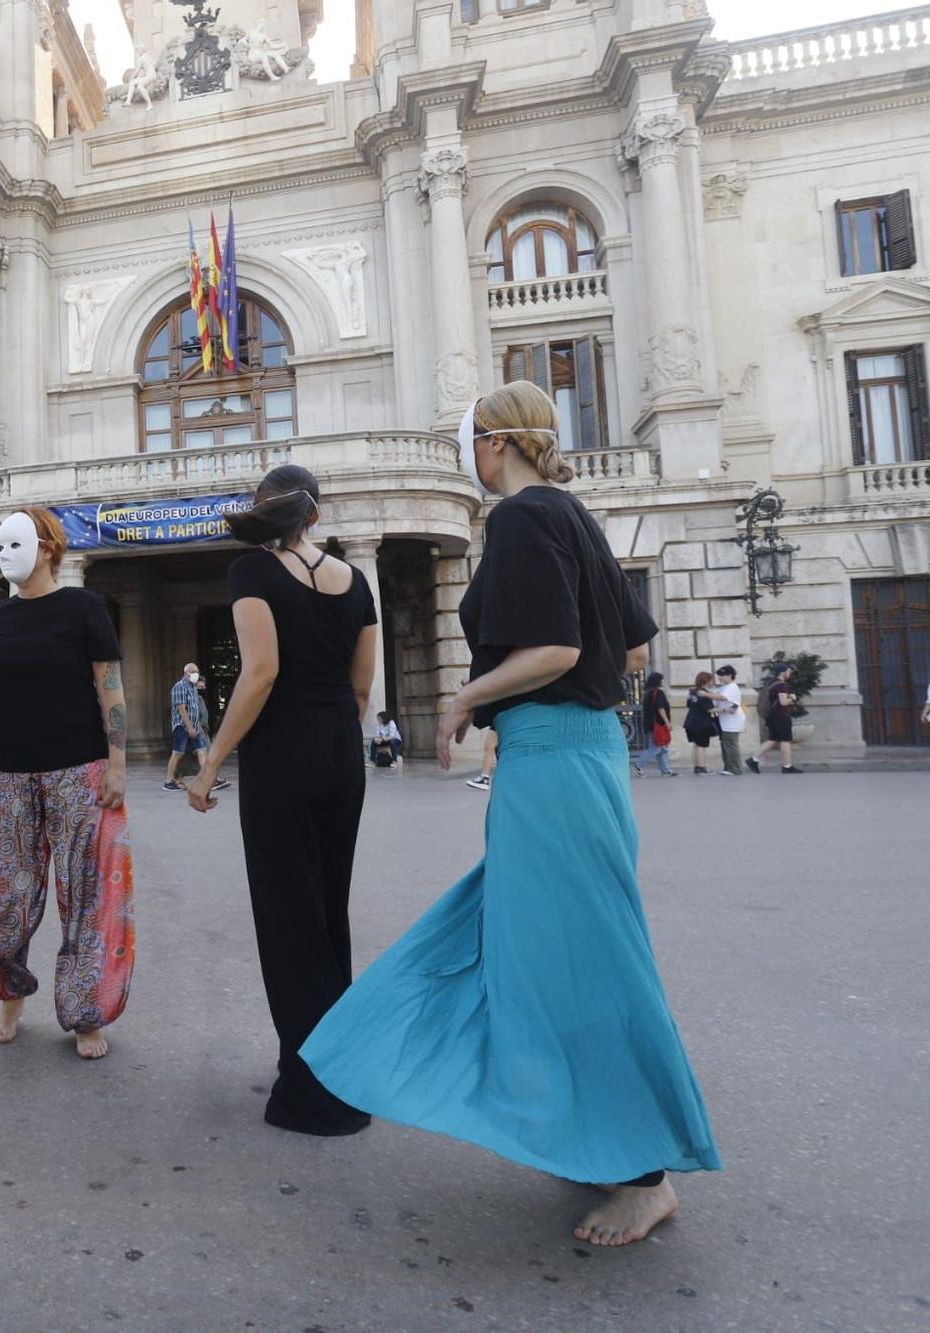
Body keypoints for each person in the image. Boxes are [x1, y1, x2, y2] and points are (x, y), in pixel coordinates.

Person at [302, 381, 718, 1247]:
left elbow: (559, 647)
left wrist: (471, 696)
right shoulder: (575, 513)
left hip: (554, 760)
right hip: (584, 754)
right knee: (546, 945)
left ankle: (644, 1174)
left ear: (492, 443)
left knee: (580, 957)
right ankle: (596, 1135)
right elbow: (631, 644)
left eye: (468, 443)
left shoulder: (524, 517)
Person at [185, 464, 379, 1137]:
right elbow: (361, 691)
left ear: (261, 512)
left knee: (287, 918)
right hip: (339, 753)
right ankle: (341, 1068)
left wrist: (210, 762)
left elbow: (260, 673)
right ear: (316, 516)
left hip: (282, 758)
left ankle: (311, 1088)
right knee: (328, 913)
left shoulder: (252, 573)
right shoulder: (357, 582)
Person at [0, 507, 134, 1060]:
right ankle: (10, 992)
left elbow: (111, 687)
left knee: (87, 893)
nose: (5, 554)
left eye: (17, 542)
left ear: (49, 547)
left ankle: (87, 1012)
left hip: (78, 768)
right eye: (0, 545)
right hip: (6, 774)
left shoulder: (84, 608)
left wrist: (118, 762)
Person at [164, 663, 222, 793]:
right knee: (177, 754)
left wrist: (197, 728)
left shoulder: (192, 688)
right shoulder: (180, 686)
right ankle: (168, 781)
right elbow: (181, 708)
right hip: (182, 726)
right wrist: (189, 727)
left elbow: (195, 709)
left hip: (194, 727)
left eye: (197, 671)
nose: (196, 674)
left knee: (202, 751)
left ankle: (210, 779)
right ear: (186, 673)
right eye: (193, 671)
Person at [749, 662, 803, 774]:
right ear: (783, 672)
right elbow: (783, 702)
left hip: (771, 715)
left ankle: (753, 759)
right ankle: (787, 766)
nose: (790, 673)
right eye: (789, 671)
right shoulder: (781, 685)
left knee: (772, 739)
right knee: (785, 740)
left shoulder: (771, 683)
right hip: (780, 716)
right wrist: (792, 698)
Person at [634, 671, 675, 777]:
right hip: (658, 724)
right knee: (656, 748)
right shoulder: (658, 693)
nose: (662, 682)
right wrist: (667, 722)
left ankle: (665, 770)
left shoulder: (648, 693)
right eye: (661, 680)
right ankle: (638, 765)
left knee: (662, 748)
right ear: (658, 681)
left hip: (650, 724)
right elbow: (661, 708)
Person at [682, 671, 720, 773]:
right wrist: (723, 710)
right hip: (701, 723)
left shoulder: (692, 692)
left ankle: (696, 767)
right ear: (706, 681)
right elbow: (709, 709)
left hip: (690, 722)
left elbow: (689, 705)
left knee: (696, 745)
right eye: (711, 680)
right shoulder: (704, 694)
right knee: (702, 746)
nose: (712, 682)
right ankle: (702, 767)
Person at [711, 665, 745, 776]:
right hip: (724, 721)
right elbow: (715, 697)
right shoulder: (723, 687)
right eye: (718, 675)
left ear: (730, 675)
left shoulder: (732, 687)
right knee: (725, 745)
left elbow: (722, 698)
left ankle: (736, 769)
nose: (719, 678)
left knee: (731, 745)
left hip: (732, 722)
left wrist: (706, 694)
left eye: (722, 675)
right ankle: (728, 767)